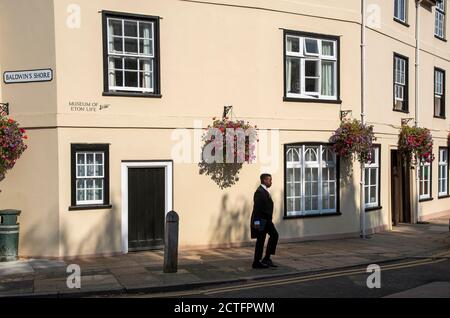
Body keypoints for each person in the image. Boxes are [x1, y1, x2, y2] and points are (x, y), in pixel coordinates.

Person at [250, 173, 279, 269]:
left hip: (266, 220)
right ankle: (256, 262)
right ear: (264, 180)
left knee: (274, 235)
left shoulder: (264, 191)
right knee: (260, 241)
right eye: (269, 180)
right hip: (261, 221)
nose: (271, 182)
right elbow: (257, 209)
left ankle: (266, 258)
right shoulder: (259, 192)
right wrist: (257, 223)